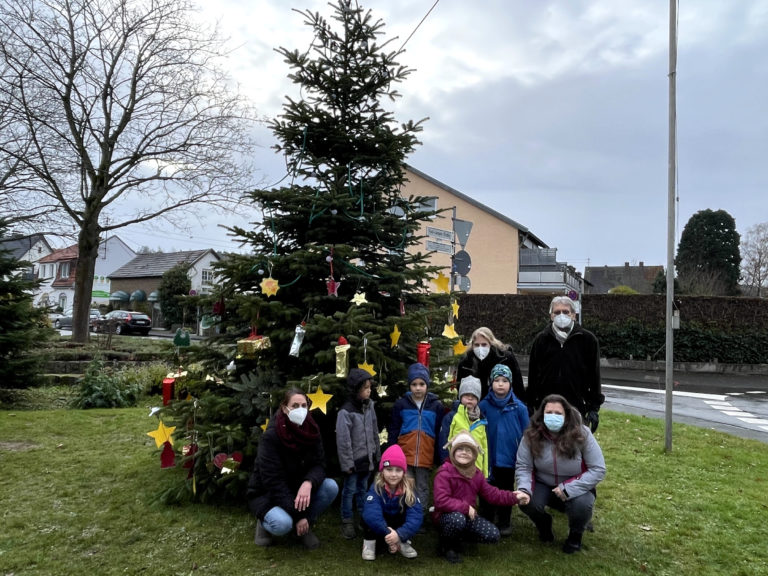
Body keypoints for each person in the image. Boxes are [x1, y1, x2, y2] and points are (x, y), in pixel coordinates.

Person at [247, 388, 339, 549]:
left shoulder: (312, 430)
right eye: (295, 405)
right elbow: (273, 482)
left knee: (330, 486)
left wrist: (308, 482)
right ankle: (264, 522)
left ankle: (304, 528)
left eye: (304, 405)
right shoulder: (272, 436)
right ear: (284, 408)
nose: (300, 410)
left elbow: (319, 464)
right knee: (283, 524)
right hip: (269, 494)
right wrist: (299, 516)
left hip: (298, 488)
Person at [515, 394, 606, 554]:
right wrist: (524, 489)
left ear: (567, 415)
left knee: (582, 506)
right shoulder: (531, 435)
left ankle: (575, 535)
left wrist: (569, 488)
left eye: (558, 414)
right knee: (526, 501)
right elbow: (524, 466)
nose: (553, 417)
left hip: (575, 484)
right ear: (542, 415)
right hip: (543, 483)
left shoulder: (582, 434)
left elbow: (598, 469)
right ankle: (543, 524)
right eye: (549, 413)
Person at [432, 431, 530, 564]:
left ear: (474, 455)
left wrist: (515, 497)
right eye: (460, 449)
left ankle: (459, 538)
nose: (464, 452)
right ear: (453, 451)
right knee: (457, 519)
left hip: (468, 516)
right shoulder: (444, 473)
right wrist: (466, 508)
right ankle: (447, 546)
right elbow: (441, 501)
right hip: (447, 516)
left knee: (493, 535)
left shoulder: (476, 474)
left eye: (468, 450)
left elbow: (493, 494)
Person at [526, 295, 604, 431]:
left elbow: (594, 376)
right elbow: (533, 375)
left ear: (573, 315)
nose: (561, 315)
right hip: (546, 407)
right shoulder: (541, 340)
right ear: (551, 316)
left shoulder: (588, 340)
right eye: (557, 312)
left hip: (577, 407)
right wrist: (530, 404)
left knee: (574, 448)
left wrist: (593, 408)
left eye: (565, 312)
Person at [386, 362, 444, 516]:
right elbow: (394, 428)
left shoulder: (436, 406)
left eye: (421, 384)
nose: (418, 388)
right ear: (409, 385)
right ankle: (405, 513)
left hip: (426, 454)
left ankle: (420, 515)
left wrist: (438, 455)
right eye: (414, 384)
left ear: (427, 385)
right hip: (405, 453)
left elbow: (439, 431)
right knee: (406, 484)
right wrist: (392, 449)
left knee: (423, 486)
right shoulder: (401, 404)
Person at [478, 364, 530, 536]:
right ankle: (486, 518)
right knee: (486, 487)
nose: (500, 384)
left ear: (511, 383)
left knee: (506, 489)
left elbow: (527, 433)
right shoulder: (483, 406)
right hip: (488, 456)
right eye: (497, 380)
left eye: (504, 381)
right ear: (491, 383)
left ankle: (504, 521)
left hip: (509, 457)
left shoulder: (519, 408)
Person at [336, 367, 381, 539]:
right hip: (354, 462)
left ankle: (364, 518)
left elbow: (374, 431)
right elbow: (343, 441)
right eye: (365, 388)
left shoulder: (370, 407)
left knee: (363, 489)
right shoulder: (346, 412)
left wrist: (377, 455)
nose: (369, 390)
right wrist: (347, 464)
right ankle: (347, 520)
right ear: (356, 390)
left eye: (370, 387)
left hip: (367, 460)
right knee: (349, 491)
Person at [361, 444, 423, 561]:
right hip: (381, 526)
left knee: (407, 515)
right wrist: (388, 532)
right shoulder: (376, 488)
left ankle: (402, 541)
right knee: (367, 515)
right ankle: (369, 543)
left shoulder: (409, 489)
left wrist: (400, 535)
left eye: (398, 470)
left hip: (397, 526)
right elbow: (372, 514)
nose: (393, 474)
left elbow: (416, 515)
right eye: (389, 469)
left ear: (403, 472)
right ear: (382, 471)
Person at [437, 375, 488, 478]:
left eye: (473, 396)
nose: (470, 398)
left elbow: (484, 447)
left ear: (478, 399)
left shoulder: (482, 421)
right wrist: (446, 465)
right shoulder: (451, 417)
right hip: (455, 468)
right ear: (460, 397)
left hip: (475, 470)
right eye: (466, 395)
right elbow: (444, 441)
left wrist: (485, 473)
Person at [456, 326, 525, 401]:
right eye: (477, 345)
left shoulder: (505, 358)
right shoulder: (465, 363)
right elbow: (460, 389)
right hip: (475, 405)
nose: (480, 348)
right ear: (472, 345)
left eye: (484, 344)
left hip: (504, 404)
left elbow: (518, 385)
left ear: (491, 343)